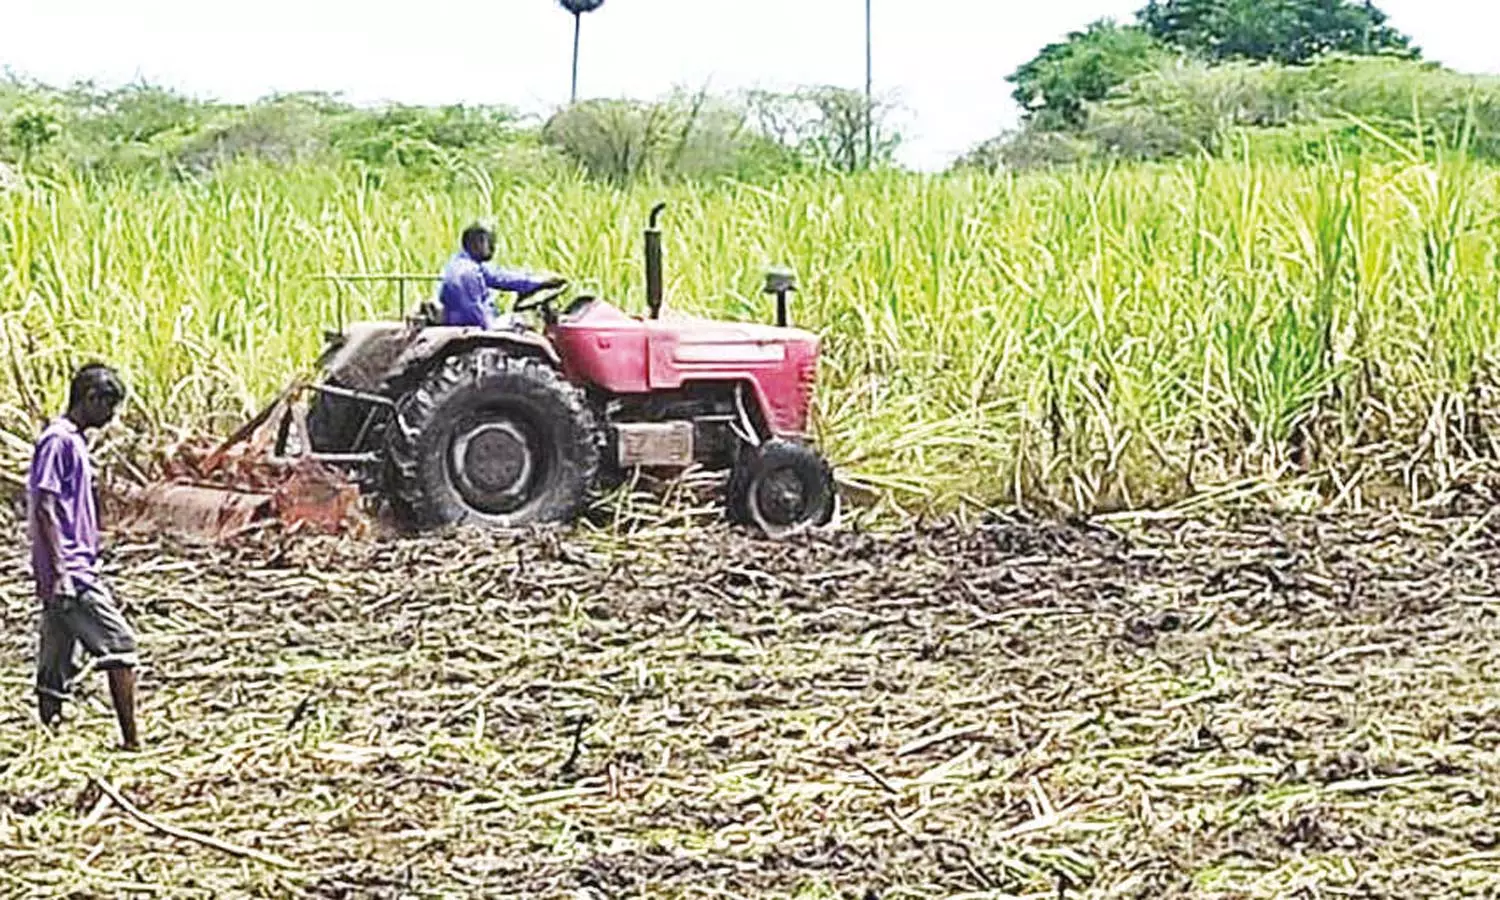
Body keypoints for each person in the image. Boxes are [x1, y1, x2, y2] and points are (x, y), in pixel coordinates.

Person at [29, 363, 140, 751]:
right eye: (109, 406)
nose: (112, 417)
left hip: (69, 566)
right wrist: (62, 570)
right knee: (120, 647)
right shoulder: (58, 441)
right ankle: (132, 744)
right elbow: (44, 503)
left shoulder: (72, 440)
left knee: (56, 663)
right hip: (70, 571)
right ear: (91, 399)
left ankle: (48, 743)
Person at [439, 222, 565, 329]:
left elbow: (501, 277)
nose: (493, 247)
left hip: (472, 322)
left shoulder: (467, 262)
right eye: (489, 242)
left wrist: (538, 280)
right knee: (523, 323)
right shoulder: (466, 273)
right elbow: (474, 312)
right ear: (476, 243)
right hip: (473, 326)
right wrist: (494, 329)